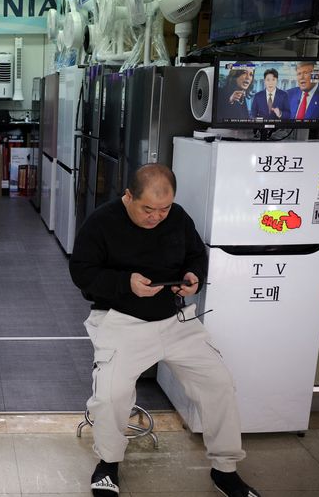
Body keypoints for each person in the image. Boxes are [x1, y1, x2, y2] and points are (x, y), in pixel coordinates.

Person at [69, 163, 260, 497]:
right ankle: (108, 465)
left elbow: (196, 254)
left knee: (219, 383)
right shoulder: (101, 223)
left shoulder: (178, 217)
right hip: (122, 320)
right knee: (111, 395)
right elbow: (82, 272)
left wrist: (193, 276)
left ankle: (225, 470)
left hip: (175, 321)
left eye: (164, 209)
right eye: (148, 209)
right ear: (128, 196)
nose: (157, 216)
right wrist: (125, 283)